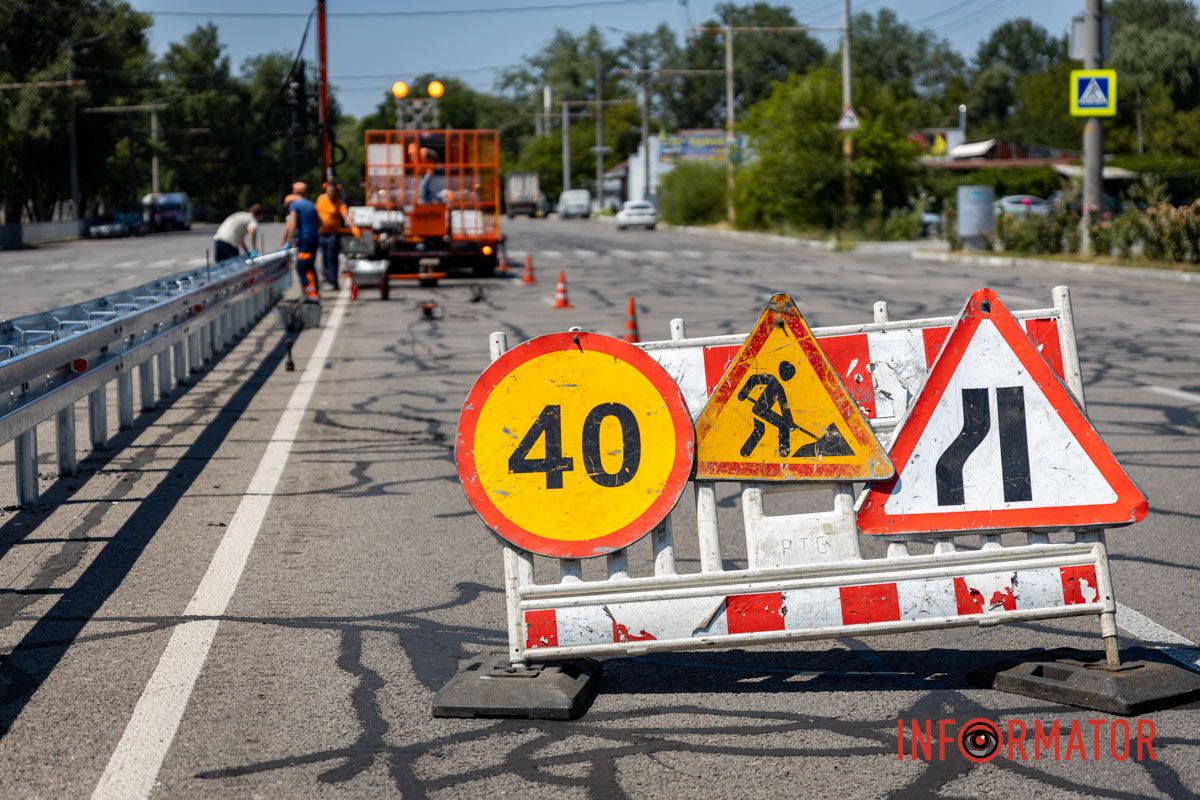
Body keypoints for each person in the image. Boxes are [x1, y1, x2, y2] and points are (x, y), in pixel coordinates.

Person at [279, 181, 322, 300]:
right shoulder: (311, 204)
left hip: (304, 241)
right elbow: (320, 222)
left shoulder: (295, 205)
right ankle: (314, 291)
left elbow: (292, 224)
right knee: (310, 266)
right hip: (314, 240)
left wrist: (288, 241)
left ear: (294, 191)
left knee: (302, 266)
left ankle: (310, 293)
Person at [315, 179, 360, 290]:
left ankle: (333, 282)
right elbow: (315, 212)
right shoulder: (320, 199)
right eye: (329, 190)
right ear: (326, 190)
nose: (331, 193)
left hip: (333, 235)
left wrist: (353, 227)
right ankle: (326, 280)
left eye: (333, 191)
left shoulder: (339, 202)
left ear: (336, 192)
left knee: (332, 258)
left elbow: (346, 217)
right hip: (321, 234)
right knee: (324, 258)